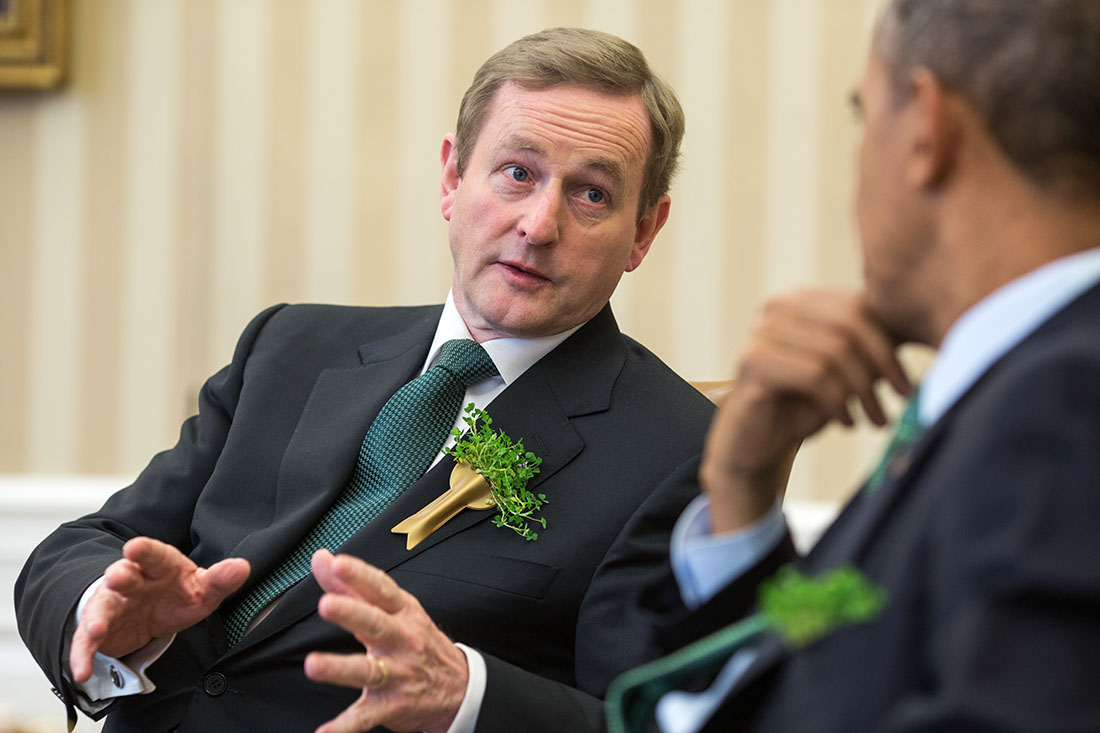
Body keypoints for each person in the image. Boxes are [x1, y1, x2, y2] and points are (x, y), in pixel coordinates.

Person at [15, 28, 715, 732]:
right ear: (451, 178)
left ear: (643, 232)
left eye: (592, 193)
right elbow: (93, 541)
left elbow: (656, 721)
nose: (538, 224)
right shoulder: (290, 346)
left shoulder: (683, 454)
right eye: (517, 172)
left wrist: (468, 695)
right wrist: (102, 606)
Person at [600, 0, 1100, 730]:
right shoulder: (1011, 393)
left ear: (927, 128)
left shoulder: (1062, 401)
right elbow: (820, 664)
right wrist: (740, 495)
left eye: (866, 117)